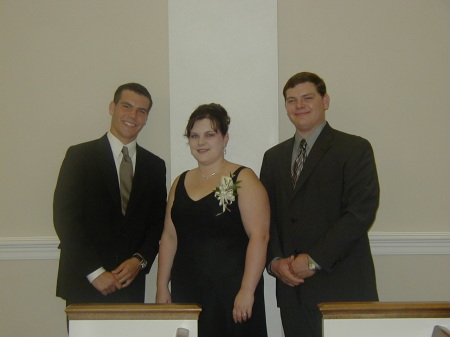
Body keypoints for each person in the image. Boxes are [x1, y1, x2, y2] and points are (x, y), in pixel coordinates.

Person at [260, 72, 380, 337]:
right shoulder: (273, 158)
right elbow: (265, 217)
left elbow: (359, 214)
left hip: (342, 285)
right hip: (292, 290)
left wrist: (314, 260)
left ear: (325, 101)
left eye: (307, 98)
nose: (299, 105)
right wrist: (275, 261)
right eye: (292, 100)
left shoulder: (354, 149)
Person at [156, 103, 269, 337]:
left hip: (231, 291)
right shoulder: (180, 181)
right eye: (194, 136)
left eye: (210, 134)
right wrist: (161, 287)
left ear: (225, 138)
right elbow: (169, 237)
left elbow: (259, 236)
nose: (201, 142)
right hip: (187, 289)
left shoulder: (242, 178)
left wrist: (247, 291)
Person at [54, 83, 167, 307]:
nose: (133, 116)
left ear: (146, 118)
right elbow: (65, 220)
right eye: (127, 106)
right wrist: (95, 272)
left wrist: (139, 261)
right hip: (83, 282)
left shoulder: (155, 166)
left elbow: (156, 223)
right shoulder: (80, 157)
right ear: (112, 107)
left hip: (130, 283)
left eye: (141, 111)